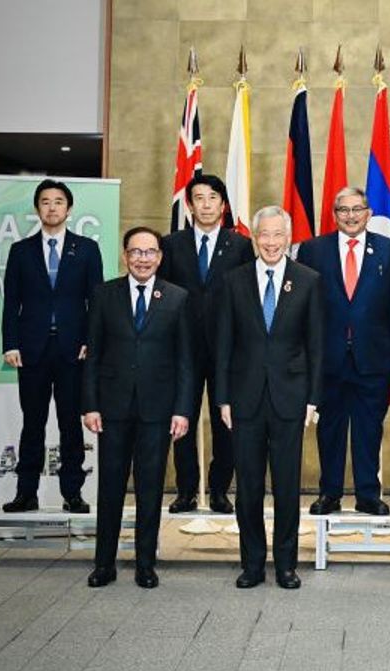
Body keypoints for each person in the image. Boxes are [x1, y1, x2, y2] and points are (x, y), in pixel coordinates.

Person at [216, 206, 323, 590]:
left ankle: (286, 565)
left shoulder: (308, 280)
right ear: (255, 238)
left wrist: (313, 397)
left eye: (279, 235)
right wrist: (223, 398)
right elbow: (223, 344)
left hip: (290, 398)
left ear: (289, 237)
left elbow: (316, 345)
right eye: (265, 235)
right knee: (247, 486)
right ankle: (252, 564)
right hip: (244, 400)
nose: (272, 242)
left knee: (287, 485)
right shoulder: (234, 281)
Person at [83, 227, 193, 588]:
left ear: (160, 257)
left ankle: (146, 563)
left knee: (150, 488)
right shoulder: (104, 295)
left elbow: (185, 362)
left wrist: (182, 410)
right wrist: (90, 405)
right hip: (112, 410)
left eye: (150, 252)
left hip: (158, 411)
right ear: (125, 256)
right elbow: (94, 355)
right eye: (135, 252)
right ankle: (104, 564)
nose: (143, 258)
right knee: (110, 488)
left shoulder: (177, 298)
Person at [296, 187, 390, 516]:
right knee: (329, 428)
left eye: (357, 209)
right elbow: (305, 308)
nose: (350, 215)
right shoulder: (313, 250)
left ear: (368, 213)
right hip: (327, 359)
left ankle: (367, 494)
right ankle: (329, 493)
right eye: (343, 210)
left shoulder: (389, 252)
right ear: (334, 214)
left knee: (369, 429)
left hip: (373, 358)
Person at [1, 179, 104, 513]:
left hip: (74, 351)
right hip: (31, 351)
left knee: (70, 425)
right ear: (37, 209)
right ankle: (25, 492)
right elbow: (11, 304)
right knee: (33, 423)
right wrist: (10, 343)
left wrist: (91, 341)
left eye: (58, 201)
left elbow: (96, 302)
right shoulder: (21, 250)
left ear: (69, 208)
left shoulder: (87, 249)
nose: (52, 207)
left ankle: (72, 493)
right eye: (45, 201)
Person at [158, 174, 255, 514]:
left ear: (223, 205)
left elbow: (246, 298)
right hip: (181, 348)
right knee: (181, 418)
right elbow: (164, 296)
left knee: (225, 421)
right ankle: (186, 490)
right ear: (189, 204)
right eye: (198, 198)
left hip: (226, 348)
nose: (206, 204)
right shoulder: (171, 245)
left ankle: (218, 490)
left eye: (212, 197)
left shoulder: (240, 245)